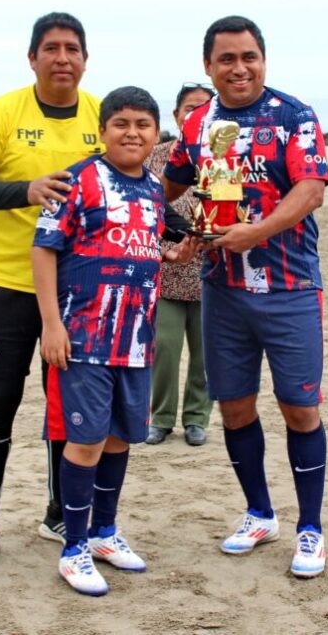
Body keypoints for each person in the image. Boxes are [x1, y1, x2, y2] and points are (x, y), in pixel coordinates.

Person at [163, 16, 328, 578]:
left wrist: (255, 233)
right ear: (208, 66)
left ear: (264, 60)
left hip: (290, 288)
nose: (239, 68)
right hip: (223, 290)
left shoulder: (294, 116)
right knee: (234, 408)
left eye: (249, 57)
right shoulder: (201, 123)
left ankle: (310, 529)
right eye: (227, 59)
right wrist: (178, 234)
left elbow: (310, 191)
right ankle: (260, 513)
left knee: (299, 408)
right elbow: (177, 184)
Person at [0, 12, 103, 570]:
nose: (63, 58)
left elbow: (131, 185)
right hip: (5, 283)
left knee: (67, 410)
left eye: (73, 49)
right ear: (32, 57)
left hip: (76, 292)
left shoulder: (99, 115)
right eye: (51, 48)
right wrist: (27, 189)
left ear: (86, 59)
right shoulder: (2, 112)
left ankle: (60, 511)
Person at [32, 86, 193, 596]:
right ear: (103, 130)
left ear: (156, 134)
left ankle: (104, 533)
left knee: (123, 438)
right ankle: (73, 547)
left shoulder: (150, 188)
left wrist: (171, 259)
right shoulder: (78, 180)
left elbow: (143, 245)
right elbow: (42, 251)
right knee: (85, 441)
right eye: (121, 123)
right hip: (84, 336)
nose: (132, 133)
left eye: (142, 125)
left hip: (137, 338)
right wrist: (51, 325)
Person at [144, 83, 215, 447]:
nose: (196, 114)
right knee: (164, 350)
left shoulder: (225, 157)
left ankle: (196, 419)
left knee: (206, 357)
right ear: (176, 116)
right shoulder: (155, 157)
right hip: (166, 270)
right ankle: (160, 418)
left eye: (204, 107)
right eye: (189, 108)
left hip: (212, 272)